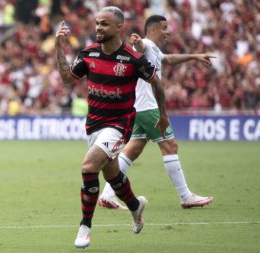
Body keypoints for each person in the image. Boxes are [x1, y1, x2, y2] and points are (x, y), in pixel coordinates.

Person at [55, 7, 170, 249]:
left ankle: (85, 226)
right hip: (94, 125)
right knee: (112, 175)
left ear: (119, 27)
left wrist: (163, 115)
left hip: (120, 126)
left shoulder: (133, 59)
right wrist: (58, 47)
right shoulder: (88, 54)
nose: (98, 28)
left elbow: (157, 84)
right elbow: (67, 78)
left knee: (88, 167)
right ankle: (135, 206)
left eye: (104, 24)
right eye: (97, 23)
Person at [98, 15, 215, 210]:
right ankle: (186, 196)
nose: (168, 31)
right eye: (164, 27)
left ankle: (107, 195)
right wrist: (136, 43)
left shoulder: (155, 50)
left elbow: (168, 59)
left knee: (132, 150)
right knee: (170, 147)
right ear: (153, 29)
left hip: (138, 108)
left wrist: (194, 56)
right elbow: (139, 46)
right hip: (150, 108)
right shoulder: (146, 44)